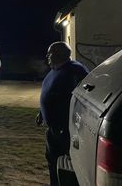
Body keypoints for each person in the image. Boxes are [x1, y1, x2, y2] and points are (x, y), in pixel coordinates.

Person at [36, 41, 88, 186]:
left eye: (50, 53)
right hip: (53, 130)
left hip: (66, 132)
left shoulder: (75, 72)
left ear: (60, 54)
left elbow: (82, 101)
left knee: (65, 167)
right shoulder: (56, 70)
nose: (47, 56)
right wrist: (42, 112)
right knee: (53, 162)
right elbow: (50, 94)